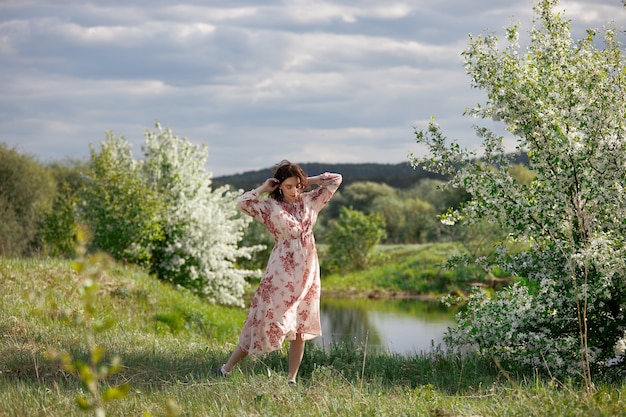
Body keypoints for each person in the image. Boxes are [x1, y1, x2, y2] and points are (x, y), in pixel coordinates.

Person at [217, 160, 342, 384]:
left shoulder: (310, 200)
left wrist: (307, 181)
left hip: (307, 270)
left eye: (297, 186)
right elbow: (243, 203)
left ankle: (291, 380)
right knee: (263, 319)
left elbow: (335, 179)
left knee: (300, 327)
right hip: (281, 272)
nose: (295, 191)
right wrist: (265, 188)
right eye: (289, 186)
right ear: (280, 186)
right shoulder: (269, 208)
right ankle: (226, 368)